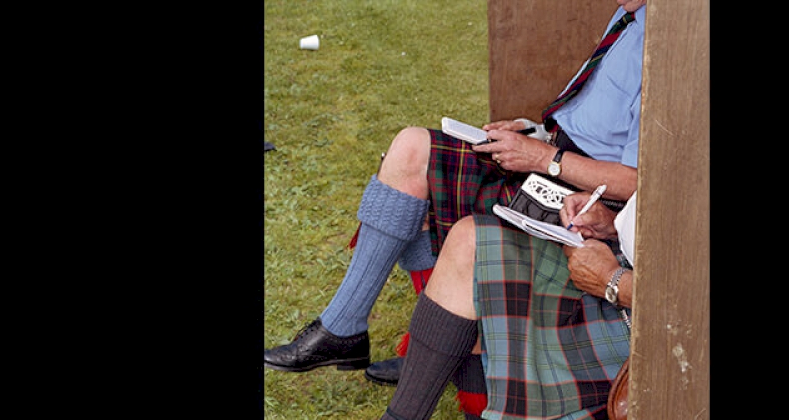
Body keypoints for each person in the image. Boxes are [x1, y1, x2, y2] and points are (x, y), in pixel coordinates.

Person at [264, 0, 647, 389]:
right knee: (412, 149)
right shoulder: (628, 14)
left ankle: (437, 350)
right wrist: (533, 132)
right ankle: (345, 325)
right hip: (550, 158)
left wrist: (544, 157)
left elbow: (640, 180)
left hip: (582, 201)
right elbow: (593, 123)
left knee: (431, 201)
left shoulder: (663, 47)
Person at [280, 190, 636, 420]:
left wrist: (614, 282)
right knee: (472, 240)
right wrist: (615, 222)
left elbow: (688, 305)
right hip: (620, 264)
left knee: (478, 262)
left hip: (645, 332)